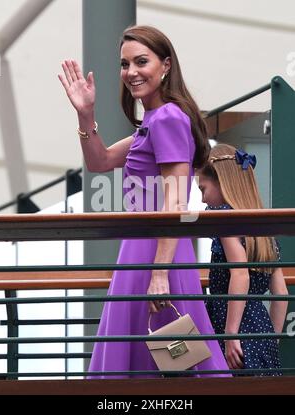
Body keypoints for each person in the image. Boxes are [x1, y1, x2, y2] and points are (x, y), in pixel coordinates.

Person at [58, 25, 230, 378]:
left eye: (141, 61)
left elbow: (174, 202)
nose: (131, 72)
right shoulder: (153, 121)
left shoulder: (167, 117)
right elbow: (100, 162)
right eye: (125, 64)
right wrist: (85, 114)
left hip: (155, 251)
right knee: (164, 349)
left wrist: (160, 272)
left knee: (170, 350)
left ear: (166, 65)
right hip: (147, 249)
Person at [197, 143, 289, 375]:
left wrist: (231, 334)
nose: (203, 200)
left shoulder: (225, 219)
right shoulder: (264, 230)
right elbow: (281, 295)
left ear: (221, 182)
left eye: (203, 189)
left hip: (229, 325)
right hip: (261, 331)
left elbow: (240, 274)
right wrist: (269, 339)